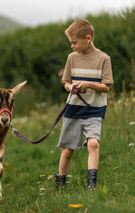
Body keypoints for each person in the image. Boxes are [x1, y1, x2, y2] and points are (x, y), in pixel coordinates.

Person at [55, 19, 114, 190]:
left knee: (93, 144)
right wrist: (70, 87)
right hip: (73, 109)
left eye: (74, 42)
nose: (72, 46)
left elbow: (106, 87)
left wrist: (88, 84)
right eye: (71, 42)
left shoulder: (104, 59)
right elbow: (65, 82)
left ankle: (91, 186)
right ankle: (60, 185)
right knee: (67, 150)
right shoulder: (71, 58)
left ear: (88, 38)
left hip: (94, 110)